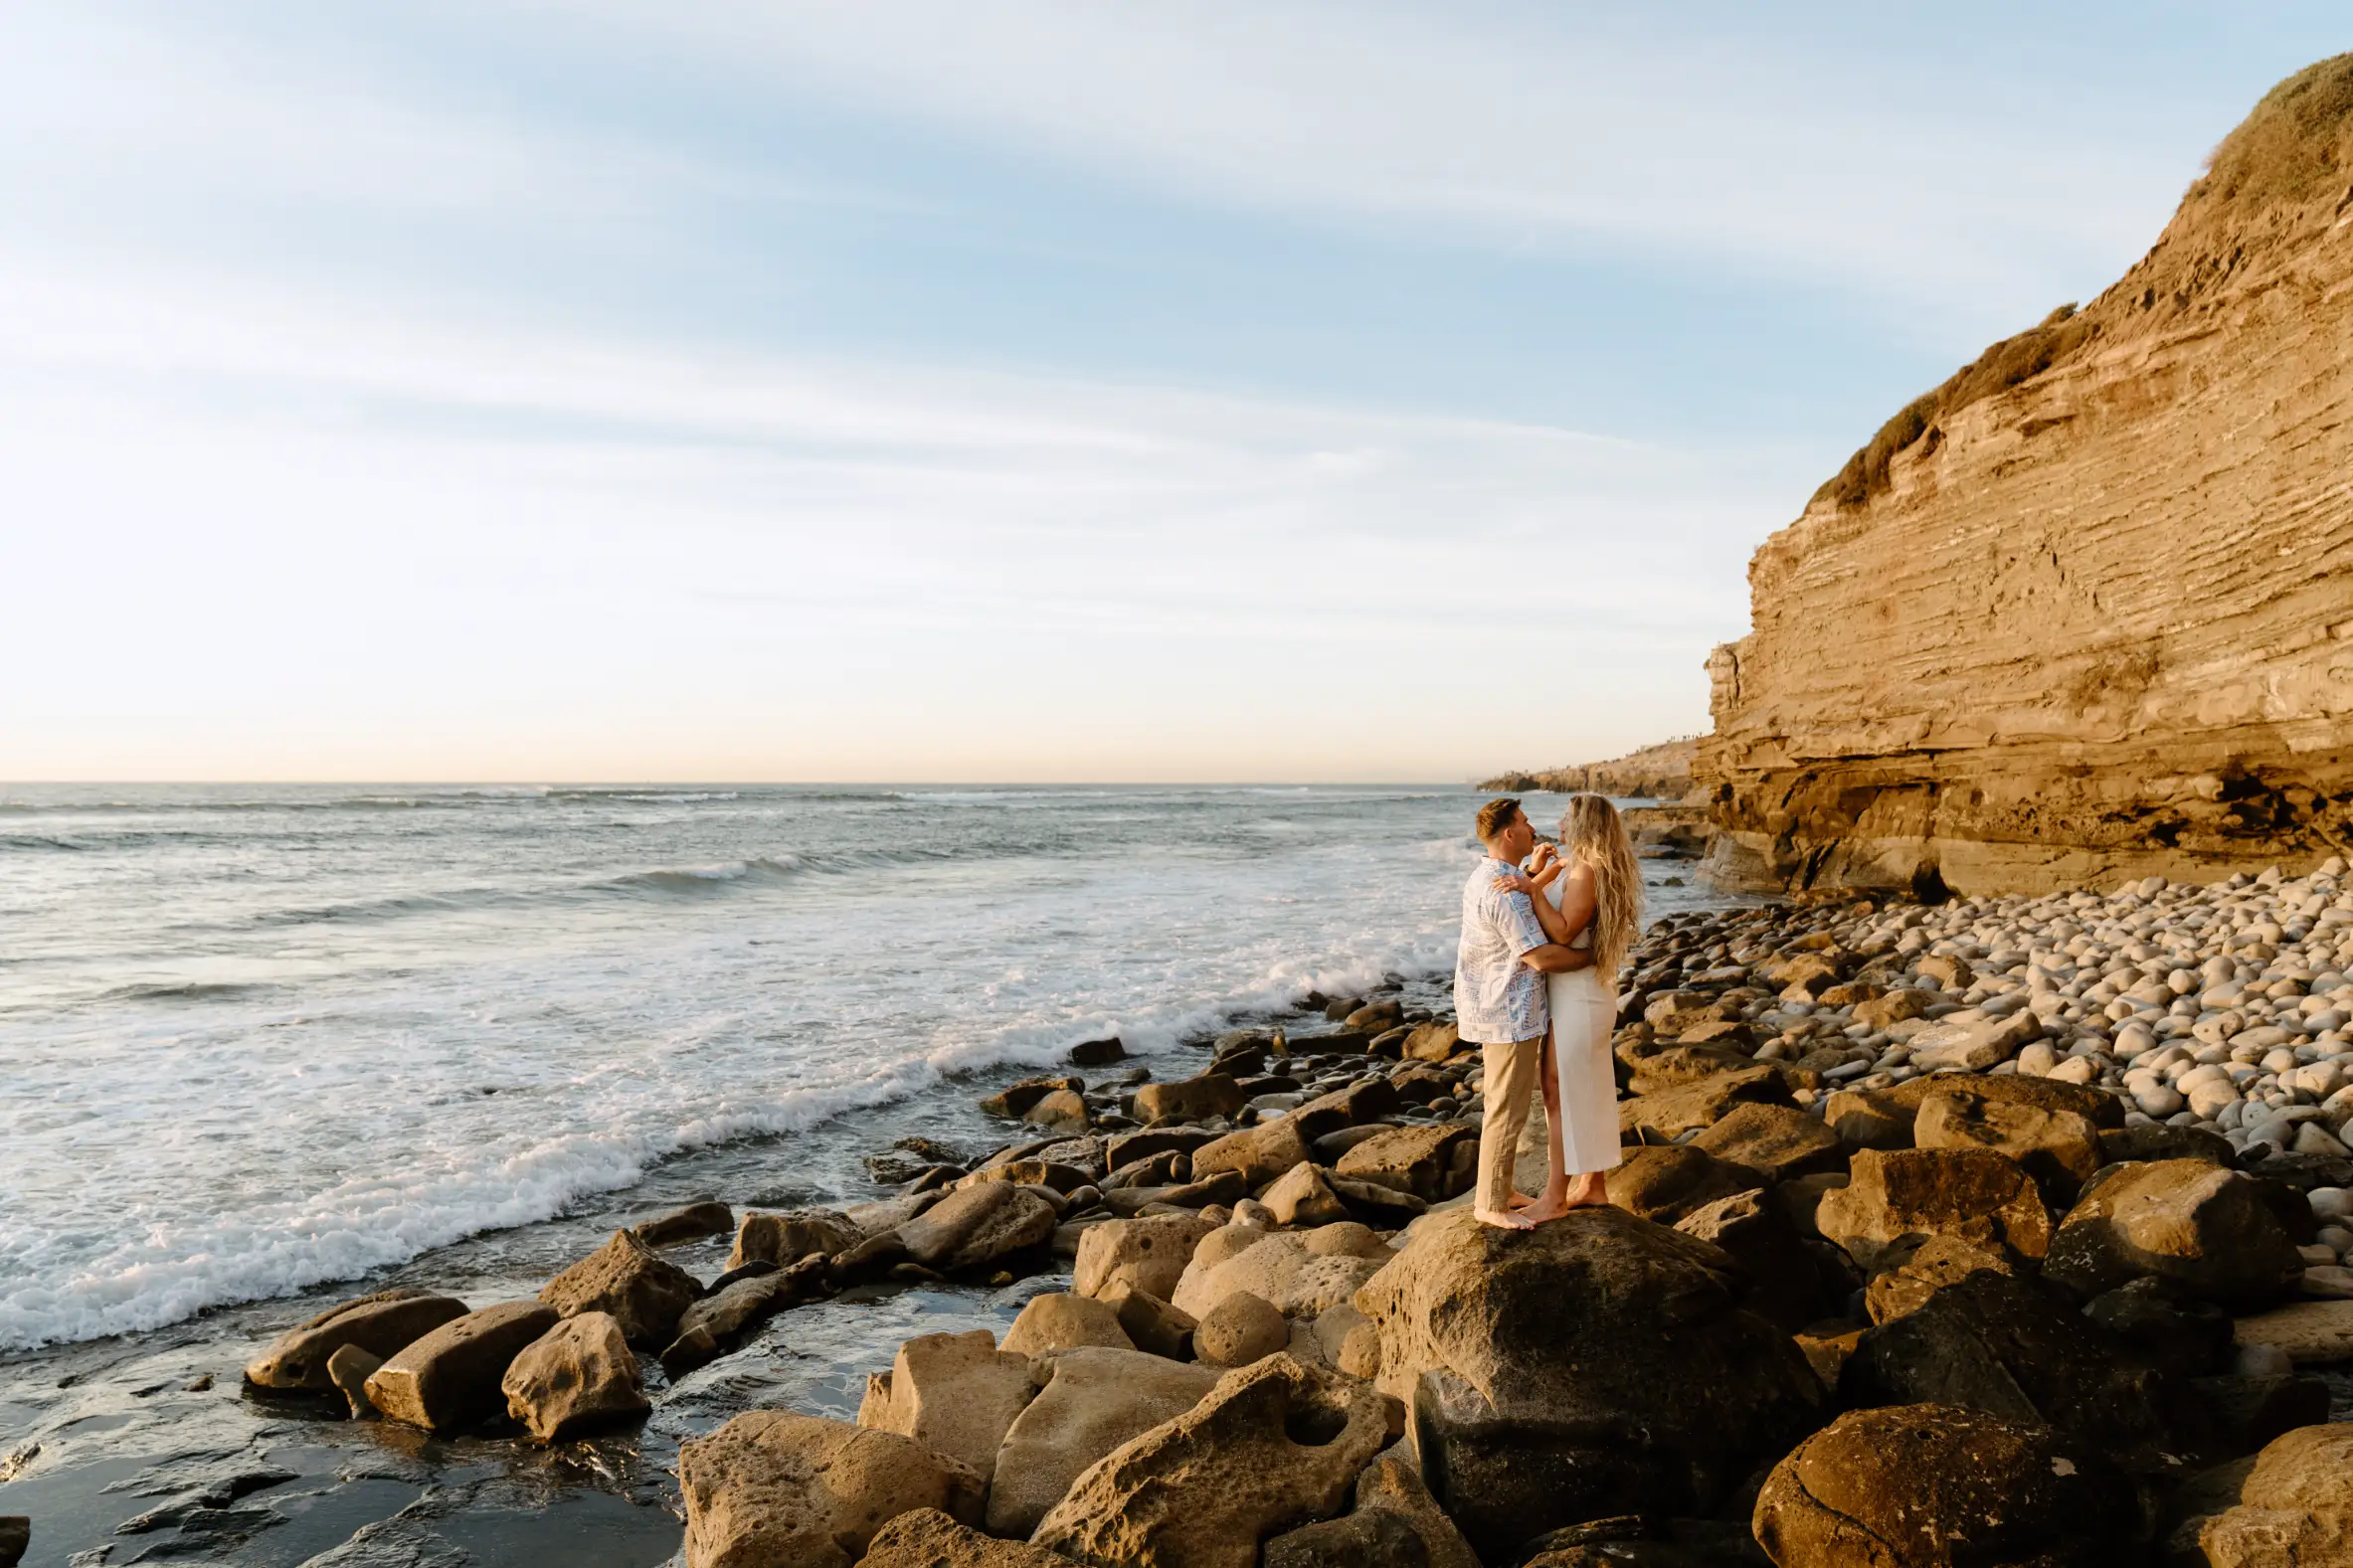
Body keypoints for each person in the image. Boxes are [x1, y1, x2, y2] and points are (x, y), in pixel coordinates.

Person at [1455, 796, 1592, 1230]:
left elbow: (1523, 888)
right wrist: (1592, 957)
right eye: (1526, 823)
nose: (1534, 830)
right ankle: (1490, 1204)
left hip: (1493, 1005)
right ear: (1509, 833)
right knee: (1506, 1108)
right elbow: (1540, 957)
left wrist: (1535, 874)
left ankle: (1502, 1186)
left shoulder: (1493, 875)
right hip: (1508, 1012)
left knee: (1505, 1102)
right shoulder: (1505, 892)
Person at [1510, 793, 1644, 1217]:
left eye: (1567, 817)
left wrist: (1532, 891)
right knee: (1583, 1087)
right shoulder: (1582, 866)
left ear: (1584, 823)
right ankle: (1592, 1186)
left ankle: (1555, 1197)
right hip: (1579, 991)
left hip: (1580, 995)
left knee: (1561, 1089)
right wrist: (1539, 877)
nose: (1560, 823)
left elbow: (1564, 933)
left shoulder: (1586, 869)